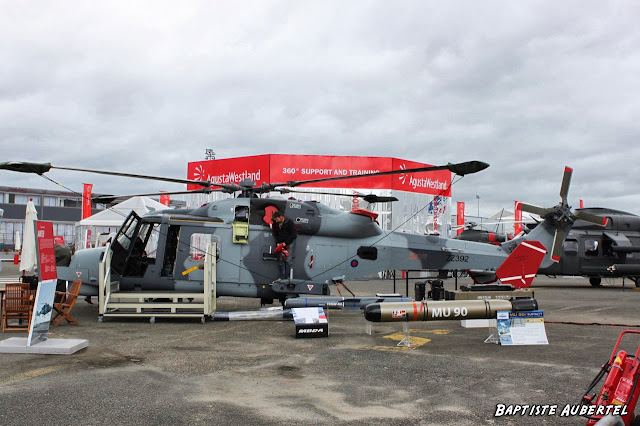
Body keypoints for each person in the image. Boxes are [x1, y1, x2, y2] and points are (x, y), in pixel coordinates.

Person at [271, 211, 297, 280]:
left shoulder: (289, 222)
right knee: (281, 260)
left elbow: (294, 234)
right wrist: (278, 243)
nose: (276, 221)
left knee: (288, 260)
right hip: (281, 243)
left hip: (290, 242)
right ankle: (282, 277)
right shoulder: (275, 224)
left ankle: (289, 277)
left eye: (277, 219)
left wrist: (286, 243)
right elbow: (276, 234)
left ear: (281, 217)